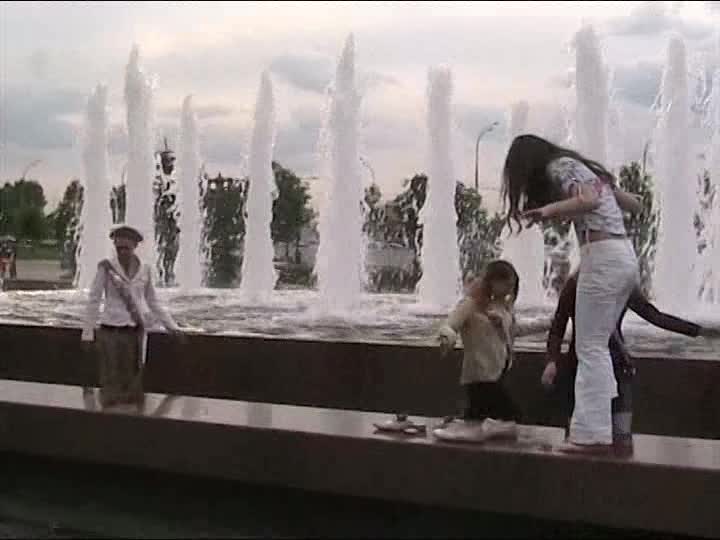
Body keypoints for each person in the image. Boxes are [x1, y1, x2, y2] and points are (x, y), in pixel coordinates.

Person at [502, 134, 642, 453]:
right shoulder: (580, 169)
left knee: (590, 347)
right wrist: (606, 192)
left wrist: (547, 210)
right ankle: (601, 427)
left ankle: (590, 435)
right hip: (622, 256)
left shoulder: (559, 166)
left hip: (603, 257)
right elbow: (634, 203)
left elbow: (589, 200)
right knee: (597, 346)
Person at [542, 272, 719, 454]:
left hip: (617, 366)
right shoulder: (575, 284)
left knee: (622, 438)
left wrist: (699, 331)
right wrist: (551, 361)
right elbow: (558, 327)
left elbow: (654, 316)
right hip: (581, 368)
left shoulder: (621, 282)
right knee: (579, 436)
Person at [433, 260, 551, 442]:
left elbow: (514, 330)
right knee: (511, 417)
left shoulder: (503, 307)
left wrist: (549, 323)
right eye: (505, 283)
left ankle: (455, 435)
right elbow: (450, 324)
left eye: (512, 285)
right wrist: (447, 338)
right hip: (480, 375)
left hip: (498, 374)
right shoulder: (471, 304)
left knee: (478, 419)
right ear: (491, 281)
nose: (509, 289)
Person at [81, 224, 184, 411]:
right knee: (110, 377)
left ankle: (131, 418)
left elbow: (152, 301)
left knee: (133, 377)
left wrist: (172, 326)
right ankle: (109, 415)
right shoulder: (106, 267)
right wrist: (87, 333)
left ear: (135, 246)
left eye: (126, 248)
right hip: (110, 330)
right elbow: (94, 300)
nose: (122, 252)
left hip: (134, 331)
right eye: (118, 248)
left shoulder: (145, 269)